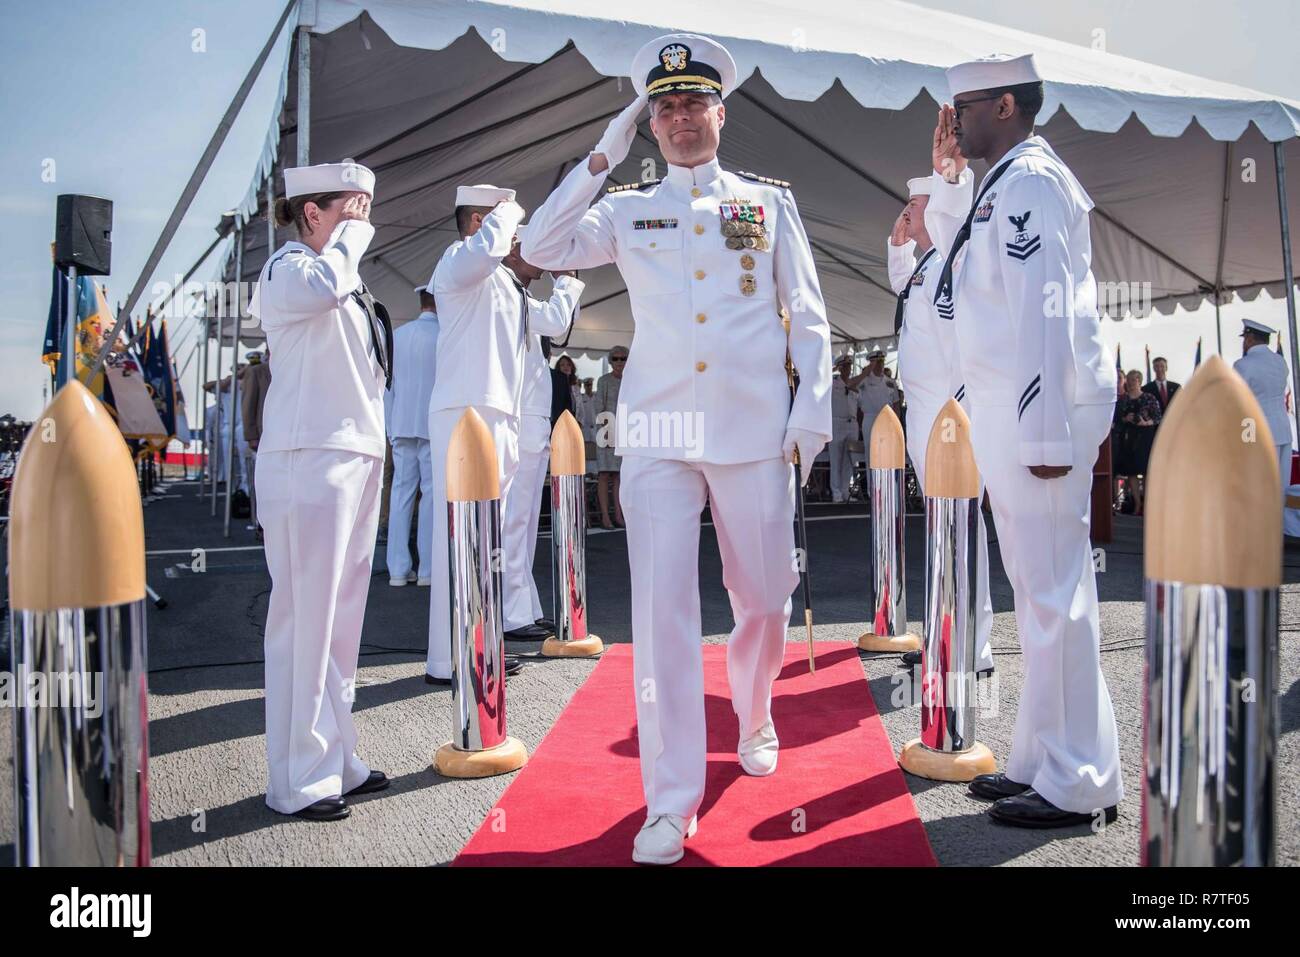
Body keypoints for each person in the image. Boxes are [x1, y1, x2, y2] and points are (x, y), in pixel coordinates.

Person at [523, 32, 831, 865]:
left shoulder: (766, 205)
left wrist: (811, 415)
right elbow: (541, 247)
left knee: (764, 596)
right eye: (665, 107)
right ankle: (670, 798)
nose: (682, 117)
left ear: (720, 115)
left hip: (752, 428)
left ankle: (755, 705)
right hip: (658, 432)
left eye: (694, 103)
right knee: (661, 616)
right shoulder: (625, 207)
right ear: (649, 124)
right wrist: (600, 152)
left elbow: (807, 316)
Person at [924, 53, 1122, 828]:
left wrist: (1043, 432)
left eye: (963, 108)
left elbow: (1048, 314)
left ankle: (1079, 779)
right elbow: (955, 282)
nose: (954, 121)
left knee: (1056, 599)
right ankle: (1044, 759)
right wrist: (944, 178)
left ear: (1005, 104)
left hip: (1036, 417)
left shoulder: (1032, 183)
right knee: (1038, 598)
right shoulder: (1002, 184)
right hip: (1012, 413)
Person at [248, 161, 393, 822]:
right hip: (308, 459)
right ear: (312, 212)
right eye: (352, 205)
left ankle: (335, 756)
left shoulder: (343, 278)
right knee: (305, 622)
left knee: (339, 626)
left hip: (354, 457)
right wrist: (349, 239)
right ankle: (297, 779)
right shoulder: (290, 269)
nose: (365, 216)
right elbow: (323, 287)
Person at [424, 187, 584, 683]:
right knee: (457, 538)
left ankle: (479, 643)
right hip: (466, 412)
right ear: (479, 220)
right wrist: (515, 205)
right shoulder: (458, 263)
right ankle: (448, 658)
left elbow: (554, 323)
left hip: (503, 415)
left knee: (486, 538)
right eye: (506, 223)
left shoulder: (505, 286)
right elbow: (483, 252)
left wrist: (568, 282)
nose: (516, 235)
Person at [889, 175, 995, 677]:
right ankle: (947, 633)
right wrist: (896, 246)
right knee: (942, 531)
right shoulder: (927, 266)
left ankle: (969, 647)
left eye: (914, 203)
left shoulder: (952, 264)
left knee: (960, 532)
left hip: (947, 416)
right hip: (925, 413)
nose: (906, 212)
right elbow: (901, 286)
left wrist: (960, 409)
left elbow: (966, 343)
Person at [502, 225, 580, 642]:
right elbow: (554, 320)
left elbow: (556, 328)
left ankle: (523, 606)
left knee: (526, 521)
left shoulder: (520, 293)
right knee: (514, 520)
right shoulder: (503, 289)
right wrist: (567, 282)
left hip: (530, 424)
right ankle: (511, 613)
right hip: (517, 423)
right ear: (512, 250)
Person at [384, 286, 440, 586]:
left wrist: (390, 428)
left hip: (402, 423)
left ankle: (397, 568)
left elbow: (386, 386)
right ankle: (428, 569)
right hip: (432, 426)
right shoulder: (445, 335)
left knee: (401, 495)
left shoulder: (399, 335)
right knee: (430, 496)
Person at [1234, 319, 1292, 497]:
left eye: (1245, 338)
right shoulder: (1280, 362)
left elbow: (1238, 401)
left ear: (1250, 338)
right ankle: (1279, 524)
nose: (1244, 342)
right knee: (1281, 487)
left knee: (1256, 487)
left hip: (1254, 431)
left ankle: (1261, 525)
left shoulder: (1243, 365)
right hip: (1282, 429)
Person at [1111, 369, 1160, 515]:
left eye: (1134, 380)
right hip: (1128, 438)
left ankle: (1147, 503)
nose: (1131, 383)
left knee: (1146, 471)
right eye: (1129, 379)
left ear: (1139, 380)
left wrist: (1146, 422)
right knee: (1131, 471)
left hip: (1145, 437)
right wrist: (1126, 419)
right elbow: (1116, 419)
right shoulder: (1123, 400)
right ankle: (1137, 504)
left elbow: (1158, 417)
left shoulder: (1149, 398)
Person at [594, 347, 628, 528]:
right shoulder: (603, 380)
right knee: (605, 474)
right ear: (610, 361)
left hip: (627, 434)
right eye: (615, 359)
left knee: (619, 476)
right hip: (606, 430)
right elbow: (598, 406)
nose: (619, 362)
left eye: (623, 358)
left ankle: (619, 515)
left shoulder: (632, 381)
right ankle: (606, 516)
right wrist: (605, 429)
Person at [240, 348, 272, 535]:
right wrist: (251, 434)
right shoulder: (257, 371)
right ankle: (262, 524)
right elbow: (248, 403)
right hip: (263, 434)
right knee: (264, 483)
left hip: (289, 435)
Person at [828, 355, 861, 503]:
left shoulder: (855, 384)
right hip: (837, 423)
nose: (848, 369)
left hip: (851, 423)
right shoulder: (832, 382)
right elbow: (820, 377)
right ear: (840, 368)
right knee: (836, 459)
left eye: (849, 366)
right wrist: (834, 368)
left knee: (849, 460)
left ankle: (845, 490)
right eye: (845, 366)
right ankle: (836, 493)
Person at [856, 348, 899, 428]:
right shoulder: (864, 380)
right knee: (870, 441)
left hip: (887, 418)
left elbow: (896, 404)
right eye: (877, 362)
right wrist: (865, 373)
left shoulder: (891, 382)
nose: (880, 365)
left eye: (882, 362)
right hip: (870, 419)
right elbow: (851, 385)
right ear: (871, 364)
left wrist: (896, 423)